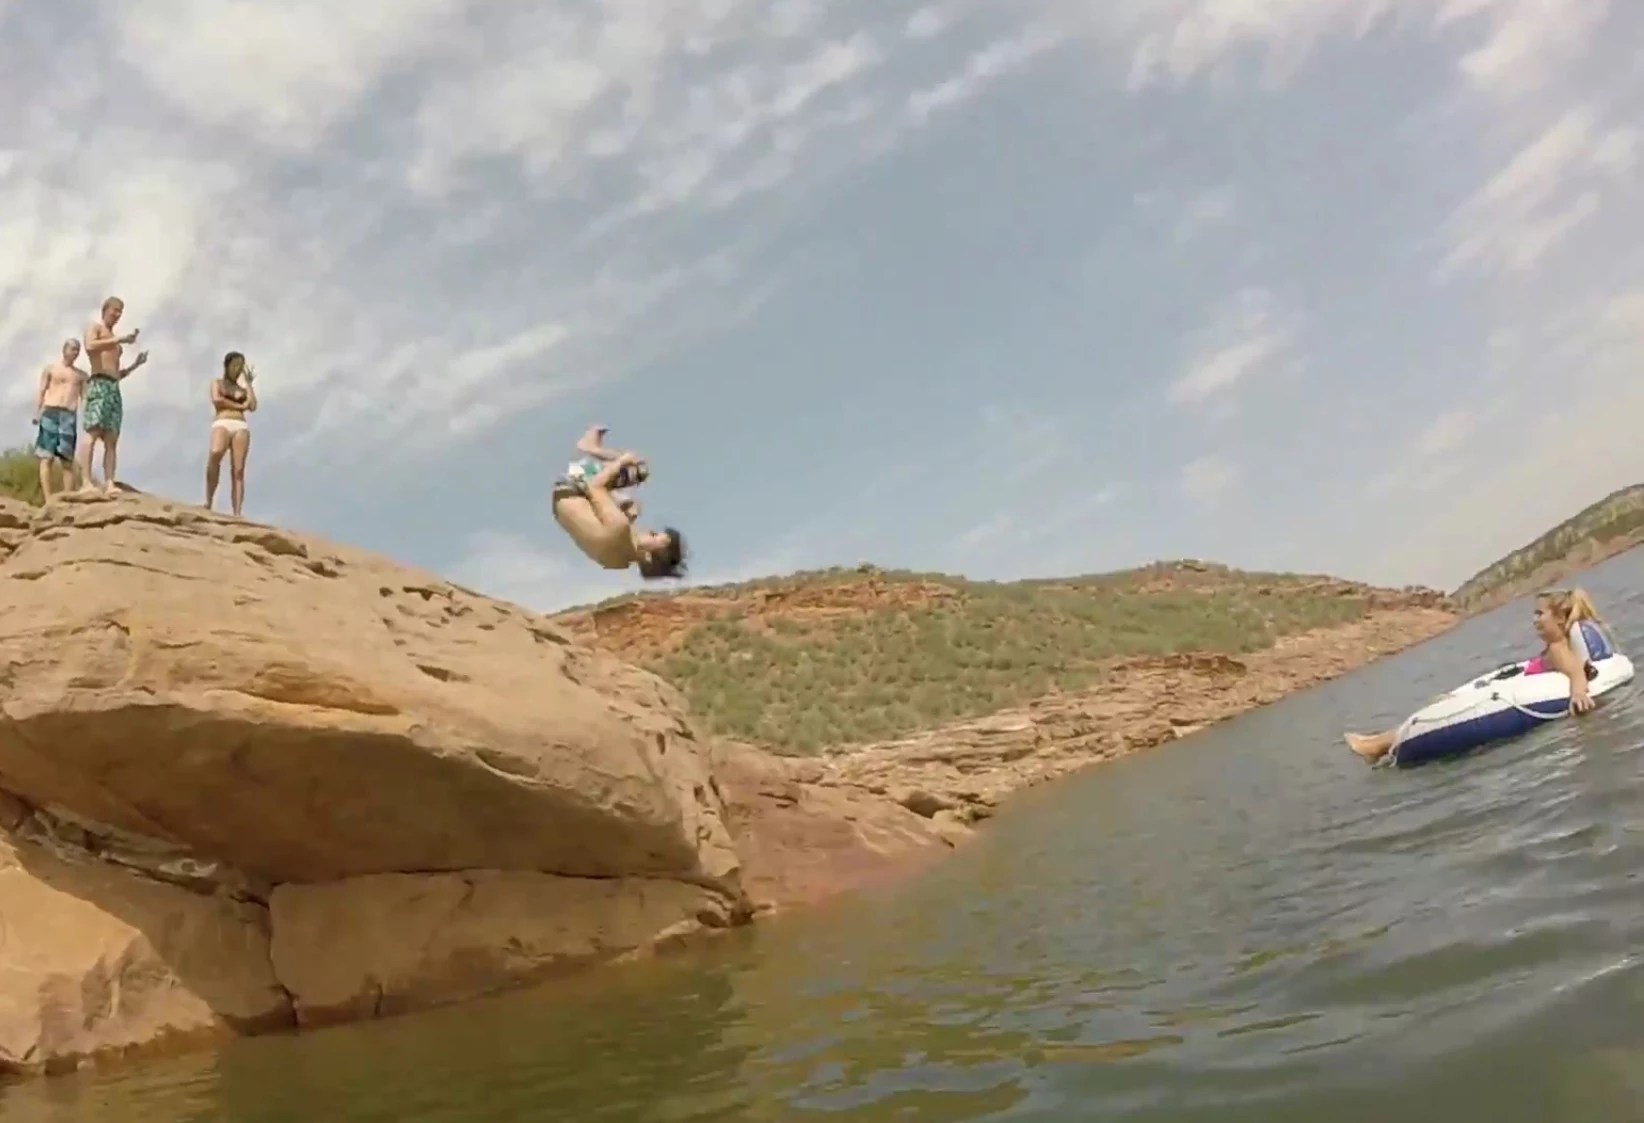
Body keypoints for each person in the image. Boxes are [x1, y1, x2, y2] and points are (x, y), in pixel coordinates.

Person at [1344, 587, 1609, 764]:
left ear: (1561, 620)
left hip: (1520, 696)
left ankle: (1377, 745)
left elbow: (1574, 670)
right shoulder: (1553, 648)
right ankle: (1378, 742)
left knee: (1441, 710)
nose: (1534, 619)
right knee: (1444, 701)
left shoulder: (1558, 649)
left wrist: (1577, 693)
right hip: (1512, 687)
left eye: (1540, 614)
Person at [551, 427, 686, 579]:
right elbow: (604, 536)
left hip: (569, 484)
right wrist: (624, 510)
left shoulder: (620, 526)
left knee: (639, 469)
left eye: (653, 535)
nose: (648, 529)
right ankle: (594, 452)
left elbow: (595, 486)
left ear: (649, 558)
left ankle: (589, 448)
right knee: (620, 499)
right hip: (562, 508)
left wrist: (623, 460)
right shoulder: (617, 563)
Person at [79, 295, 149, 493]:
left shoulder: (116, 345)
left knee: (111, 437)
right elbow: (90, 346)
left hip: (113, 387)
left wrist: (136, 364)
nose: (117, 314)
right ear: (105, 310)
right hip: (98, 383)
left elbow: (117, 373)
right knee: (92, 431)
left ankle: (109, 481)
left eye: (120, 311)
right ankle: (86, 481)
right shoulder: (95, 328)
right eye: (115, 310)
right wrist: (120, 339)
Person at [31, 339, 89, 498]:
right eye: (72, 349)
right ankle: (48, 498)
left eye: (77, 350)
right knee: (46, 456)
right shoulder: (51, 369)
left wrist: (85, 417)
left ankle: (67, 497)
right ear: (64, 350)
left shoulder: (81, 375)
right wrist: (37, 412)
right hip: (50, 412)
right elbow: (42, 391)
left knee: (67, 459)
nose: (75, 352)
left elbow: (84, 397)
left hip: (68, 415)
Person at [205, 351, 258, 516]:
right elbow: (217, 400)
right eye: (235, 365)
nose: (237, 369)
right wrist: (241, 406)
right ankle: (209, 500)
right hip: (222, 421)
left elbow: (253, 405)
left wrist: (249, 384)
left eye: (240, 366)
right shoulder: (218, 383)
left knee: (238, 469)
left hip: (240, 425)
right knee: (216, 453)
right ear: (227, 365)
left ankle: (237, 511)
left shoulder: (242, 389)